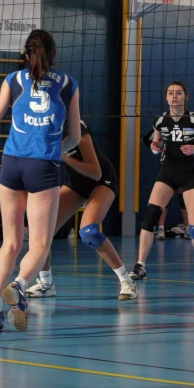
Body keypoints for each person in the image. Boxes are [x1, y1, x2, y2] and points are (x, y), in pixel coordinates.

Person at [0, 29, 81, 332]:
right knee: (39, 242)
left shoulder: (13, 80)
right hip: (43, 167)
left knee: (10, 243)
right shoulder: (67, 84)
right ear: (54, 55)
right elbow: (75, 137)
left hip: (11, 166)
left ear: (26, 56)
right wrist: (55, 149)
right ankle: (20, 284)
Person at [25, 120, 137, 301]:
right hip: (76, 184)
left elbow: (95, 172)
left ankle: (127, 281)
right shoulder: (39, 127)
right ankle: (46, 284)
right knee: (39, 234)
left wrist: (63, 156)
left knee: (89, 232)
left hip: (102, 182)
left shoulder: (75, 127)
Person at [130, 81, 194, 281]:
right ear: (166, 97)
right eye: (170, 93)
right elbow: (157, 145)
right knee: (150, 216)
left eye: (178, 93)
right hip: (167, 172)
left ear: (185, 97)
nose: (174, 96)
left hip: (191, 174)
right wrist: (155, 147)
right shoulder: (161, 121)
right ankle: (140, 265)